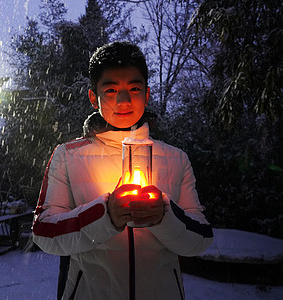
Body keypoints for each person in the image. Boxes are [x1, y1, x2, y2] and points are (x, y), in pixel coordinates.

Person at [32, 41, 213, 300]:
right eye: (111, 89)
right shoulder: (68, 156)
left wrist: (165, 215)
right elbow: (44, 232)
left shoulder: (176, 159)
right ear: (94, 97)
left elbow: (201, 237)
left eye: (134, 88)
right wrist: (105, 215)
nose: (124, 99)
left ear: (147, 94)